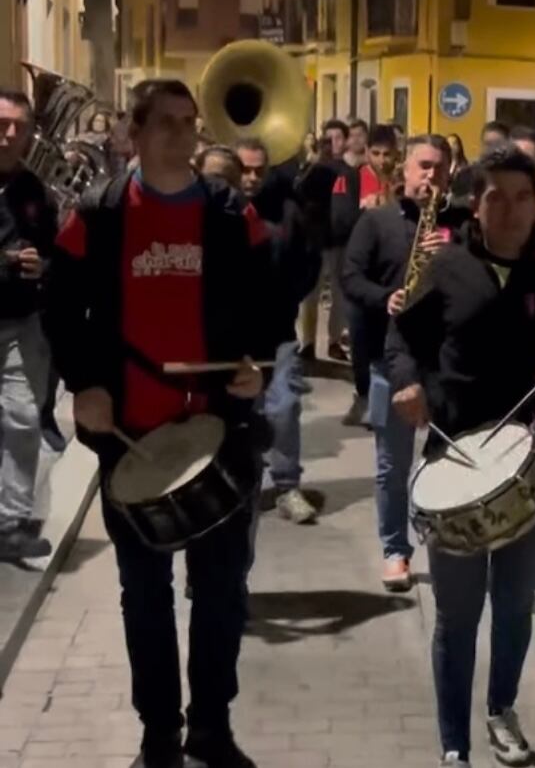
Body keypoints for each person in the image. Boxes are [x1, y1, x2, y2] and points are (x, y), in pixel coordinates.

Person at [44, 79, 276, 768]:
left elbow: (267, 304)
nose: (181, 134)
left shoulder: (236, 217)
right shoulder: (100, 215)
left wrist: (257, 365)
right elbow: (59, 306)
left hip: (218, 435)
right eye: (165, 123)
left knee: (222, 593)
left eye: (189, 122)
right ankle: (157, 735)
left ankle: (211, 726)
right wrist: (85, 383)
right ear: (134, 135)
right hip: (131, 441)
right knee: (144, 597)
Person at [387, 147, 535, 768]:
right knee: (457, 618)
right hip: (452, 461)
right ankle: (454, 742)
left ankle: (500, 709)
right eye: (495, 198)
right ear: (475, 206)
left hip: (528, 467)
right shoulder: (446, 269)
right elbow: (401, 340)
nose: (509, 210)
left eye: (522, 198)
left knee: (513, 607)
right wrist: (407, 381)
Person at [341, 133, 457, 592]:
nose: (431, 175)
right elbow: (350, 277)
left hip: (445, 364)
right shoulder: (376, 223)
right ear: (405, 171)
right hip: (389, 361)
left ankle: (449, 544)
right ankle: (395, 550)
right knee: (393, 465)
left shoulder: (461, 223)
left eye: (440, 168)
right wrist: (385, 298)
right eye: (424, 166)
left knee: (446, 460)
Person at [236, 137, 322, 525]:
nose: (252, 177)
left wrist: (285, 296)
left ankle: (287, 485)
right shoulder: (218, 208)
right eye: (245, 169)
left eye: (259, 170)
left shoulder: (289, 210)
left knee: (284, 408)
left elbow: (309, 263)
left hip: (277, 330)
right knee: (238, 413)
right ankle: (241, 486)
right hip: (232, 335)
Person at [0, 90, 57, 561]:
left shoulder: (34, 190)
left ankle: (11, 523)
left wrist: (46, 266)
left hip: (23, 322)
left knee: (22, 418)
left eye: (20, 125)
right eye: (2, 123)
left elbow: (56, 247)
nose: (10, 133)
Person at [335, 125, 401, 427]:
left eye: (388, 154)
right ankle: (362, 394)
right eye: (376, 153)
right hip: (360, 274)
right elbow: (337, 221)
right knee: (361, 343)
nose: (383, 160)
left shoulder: (401, 181)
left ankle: (384, 401)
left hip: (392, 275)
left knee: (390, 343)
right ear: (367, 153)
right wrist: (364, 211)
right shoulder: (350, 178)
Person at [296, 118, 350, 361]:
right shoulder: (312, 168)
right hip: (315, 239)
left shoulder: (349, 171)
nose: (333, 144)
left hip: (341, 239)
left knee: (339, 294)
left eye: (338, 138)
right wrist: (313, 164)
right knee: (311, 294)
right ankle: (307, 343)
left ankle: (334, 340)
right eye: (328, 139)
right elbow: (298, 192)